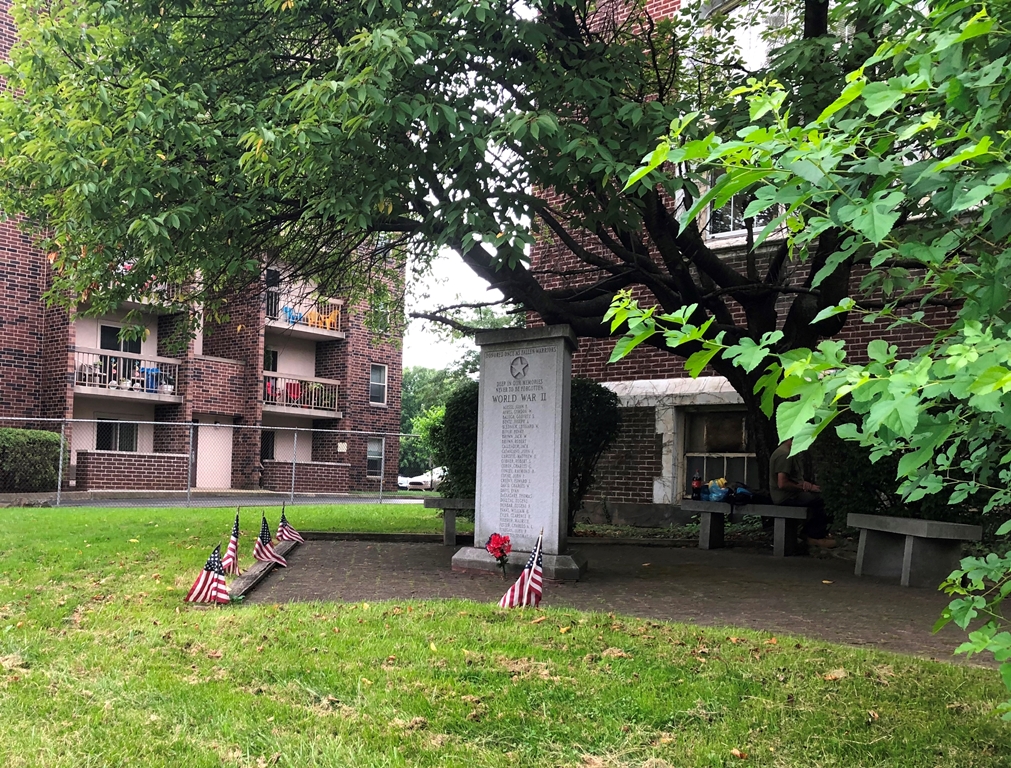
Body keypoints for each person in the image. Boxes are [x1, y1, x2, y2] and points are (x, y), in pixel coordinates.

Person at [768, 438, 835, 549]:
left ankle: (809, 533)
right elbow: (782, 483)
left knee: (820, 497)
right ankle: (814, 536)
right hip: (785, 497)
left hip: (791, 494)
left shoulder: (788, 452)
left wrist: (806, 486)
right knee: (820, 502)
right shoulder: (784, 455)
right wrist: (802, 487)